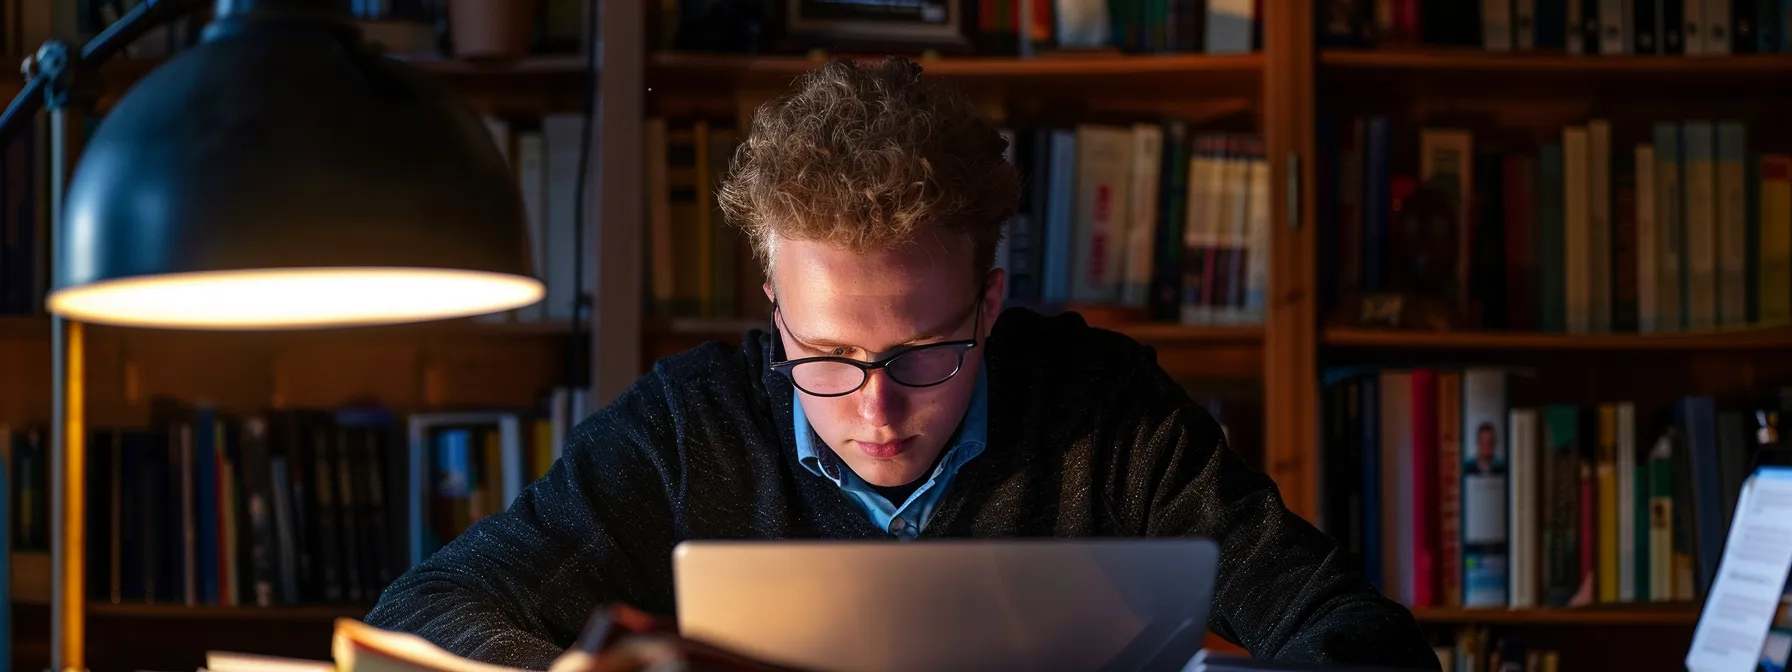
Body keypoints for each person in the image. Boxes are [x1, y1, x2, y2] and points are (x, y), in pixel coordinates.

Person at [364, 57, 1437, 671]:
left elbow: (1356, 636)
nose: (874, 411)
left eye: (925, 354)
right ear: (774, 306)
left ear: (991, 301)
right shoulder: (685, 429)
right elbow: (428, 609)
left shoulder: (1109, 414)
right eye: (826, 356)